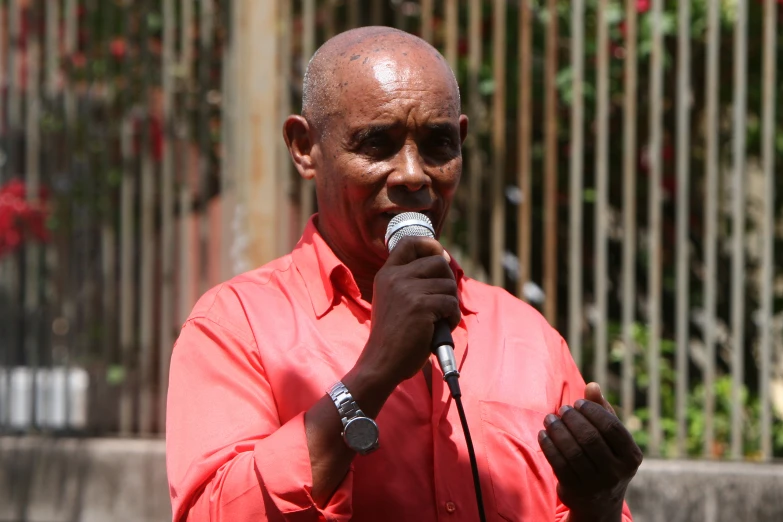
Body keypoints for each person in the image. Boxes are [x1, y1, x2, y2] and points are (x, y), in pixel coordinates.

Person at [166, 26, 642, 522]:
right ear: (305, 147)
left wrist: (599, 504)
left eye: (438, 144)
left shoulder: (528, 338)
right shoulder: (235, 327)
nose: (414, 174)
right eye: (377, 144)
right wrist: (372, 375)